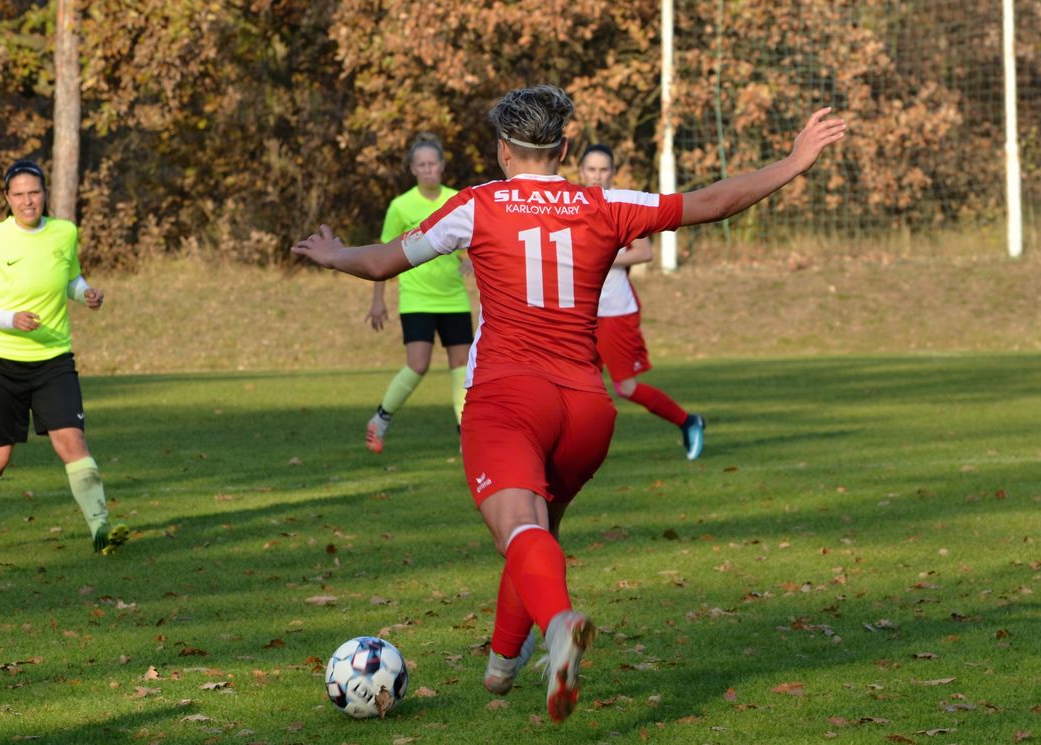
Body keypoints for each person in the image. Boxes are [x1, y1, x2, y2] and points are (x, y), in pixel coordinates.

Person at [293, 85, 845, 721]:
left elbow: (384, 261)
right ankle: (504, 663)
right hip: (586, 409)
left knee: (518, 529)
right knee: (536, 533)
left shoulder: (476, 205)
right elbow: (713, 202)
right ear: (563, 149)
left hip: (508, 398)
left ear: (503, 151)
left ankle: (558, 627)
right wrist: (794, 162)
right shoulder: (606, 204)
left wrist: (334, 255)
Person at [0, 159, 127, 558]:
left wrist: (84, 293)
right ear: (7, 198)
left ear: (45, 193)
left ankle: (101, 530)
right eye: (19, 194)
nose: (27, 201)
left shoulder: (64, 232)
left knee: (72, 441)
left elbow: (68, 277)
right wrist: (11, 319)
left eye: (34, 192)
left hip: (53, 361)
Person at [577, 144, 706, 459]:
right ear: (581, 172)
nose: (597, 176)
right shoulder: (571, 206)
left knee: (626, 387)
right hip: (579, 312)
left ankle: (688, 421)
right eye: (591, 169)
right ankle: (571, 450)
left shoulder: (621, 205)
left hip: (615, 310)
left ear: (613, 172)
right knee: (575, 383)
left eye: (603, 169)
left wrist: (601, 258)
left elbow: (644, 252)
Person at [363, 133, 474, 453]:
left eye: (432, 164)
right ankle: (381, 419)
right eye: (421, 165)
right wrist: (377, 300)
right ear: (413, 169)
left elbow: (470, 242)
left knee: (462, 365)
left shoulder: (457, 201)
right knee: (418, 364)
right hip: (417, 299)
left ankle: (465, 432)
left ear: (442, 166)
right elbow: (383, 254)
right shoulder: (400, 206)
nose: (427, 169)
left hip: (453, 298)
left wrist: (470, 258)